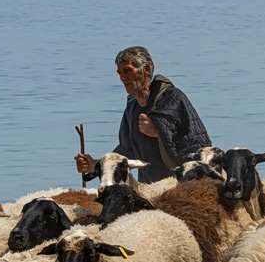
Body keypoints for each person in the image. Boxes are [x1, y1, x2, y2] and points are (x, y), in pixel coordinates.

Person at [74, 46, 211, 184]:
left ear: (146, 69)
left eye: (127, 70)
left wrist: (158, 132)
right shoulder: (132, 108)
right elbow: (126, 151)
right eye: (120, 72)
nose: (122, 77)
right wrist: (94, 164)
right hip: (149, 189)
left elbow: (200, 147)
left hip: (180, 186)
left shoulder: (172, 99)